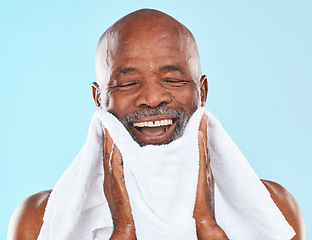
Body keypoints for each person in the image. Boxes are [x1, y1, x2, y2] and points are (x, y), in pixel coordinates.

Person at [8, 9, 305, 240]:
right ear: (99, 98)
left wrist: (206, 225)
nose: (152, 98)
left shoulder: (275, 214)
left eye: (173, 80)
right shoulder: (40, 223)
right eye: (128, 83)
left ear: (202, 91)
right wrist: (123, 229)